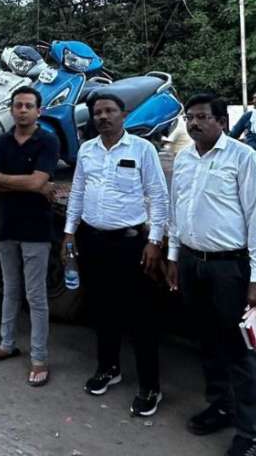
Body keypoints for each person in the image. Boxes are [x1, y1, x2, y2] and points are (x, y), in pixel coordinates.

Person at [167, 94, 256, 456]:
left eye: (202, 117)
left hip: (229, 268)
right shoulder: (184, 159)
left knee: (240, 350)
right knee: (207, 341)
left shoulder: (243, 158)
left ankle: (251, 431)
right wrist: (173, 256)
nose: (194, 123)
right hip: (191, 262)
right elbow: (176, 211)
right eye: (189, 117)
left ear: (222, 122)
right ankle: (222, 406)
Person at [63, 93, 169, 416]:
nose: (103, 117)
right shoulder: (87, 150)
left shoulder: (142, 149)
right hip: (92, 241)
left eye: (110, 111)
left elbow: (159, 197)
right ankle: (108, 368)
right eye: (97, 112)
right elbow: (77, 192)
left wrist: (155, 241)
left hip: (130, 244)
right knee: (101, 309)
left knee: (141, 316)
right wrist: (69, 232)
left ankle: (150, 387)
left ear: (124, 115)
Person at [0, 86, 59, 387]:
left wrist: (2, 179)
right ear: (11, 110)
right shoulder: (2, 141)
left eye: (28, 106)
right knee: (10, 290)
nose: (22, 110)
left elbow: (37, 181)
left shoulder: (47, 141)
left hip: (36, 229)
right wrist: (30, 184)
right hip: (7, 227)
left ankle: (39, 357)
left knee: (35, 296)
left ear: (39, 111)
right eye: (18, 105)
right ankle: (7, 343)